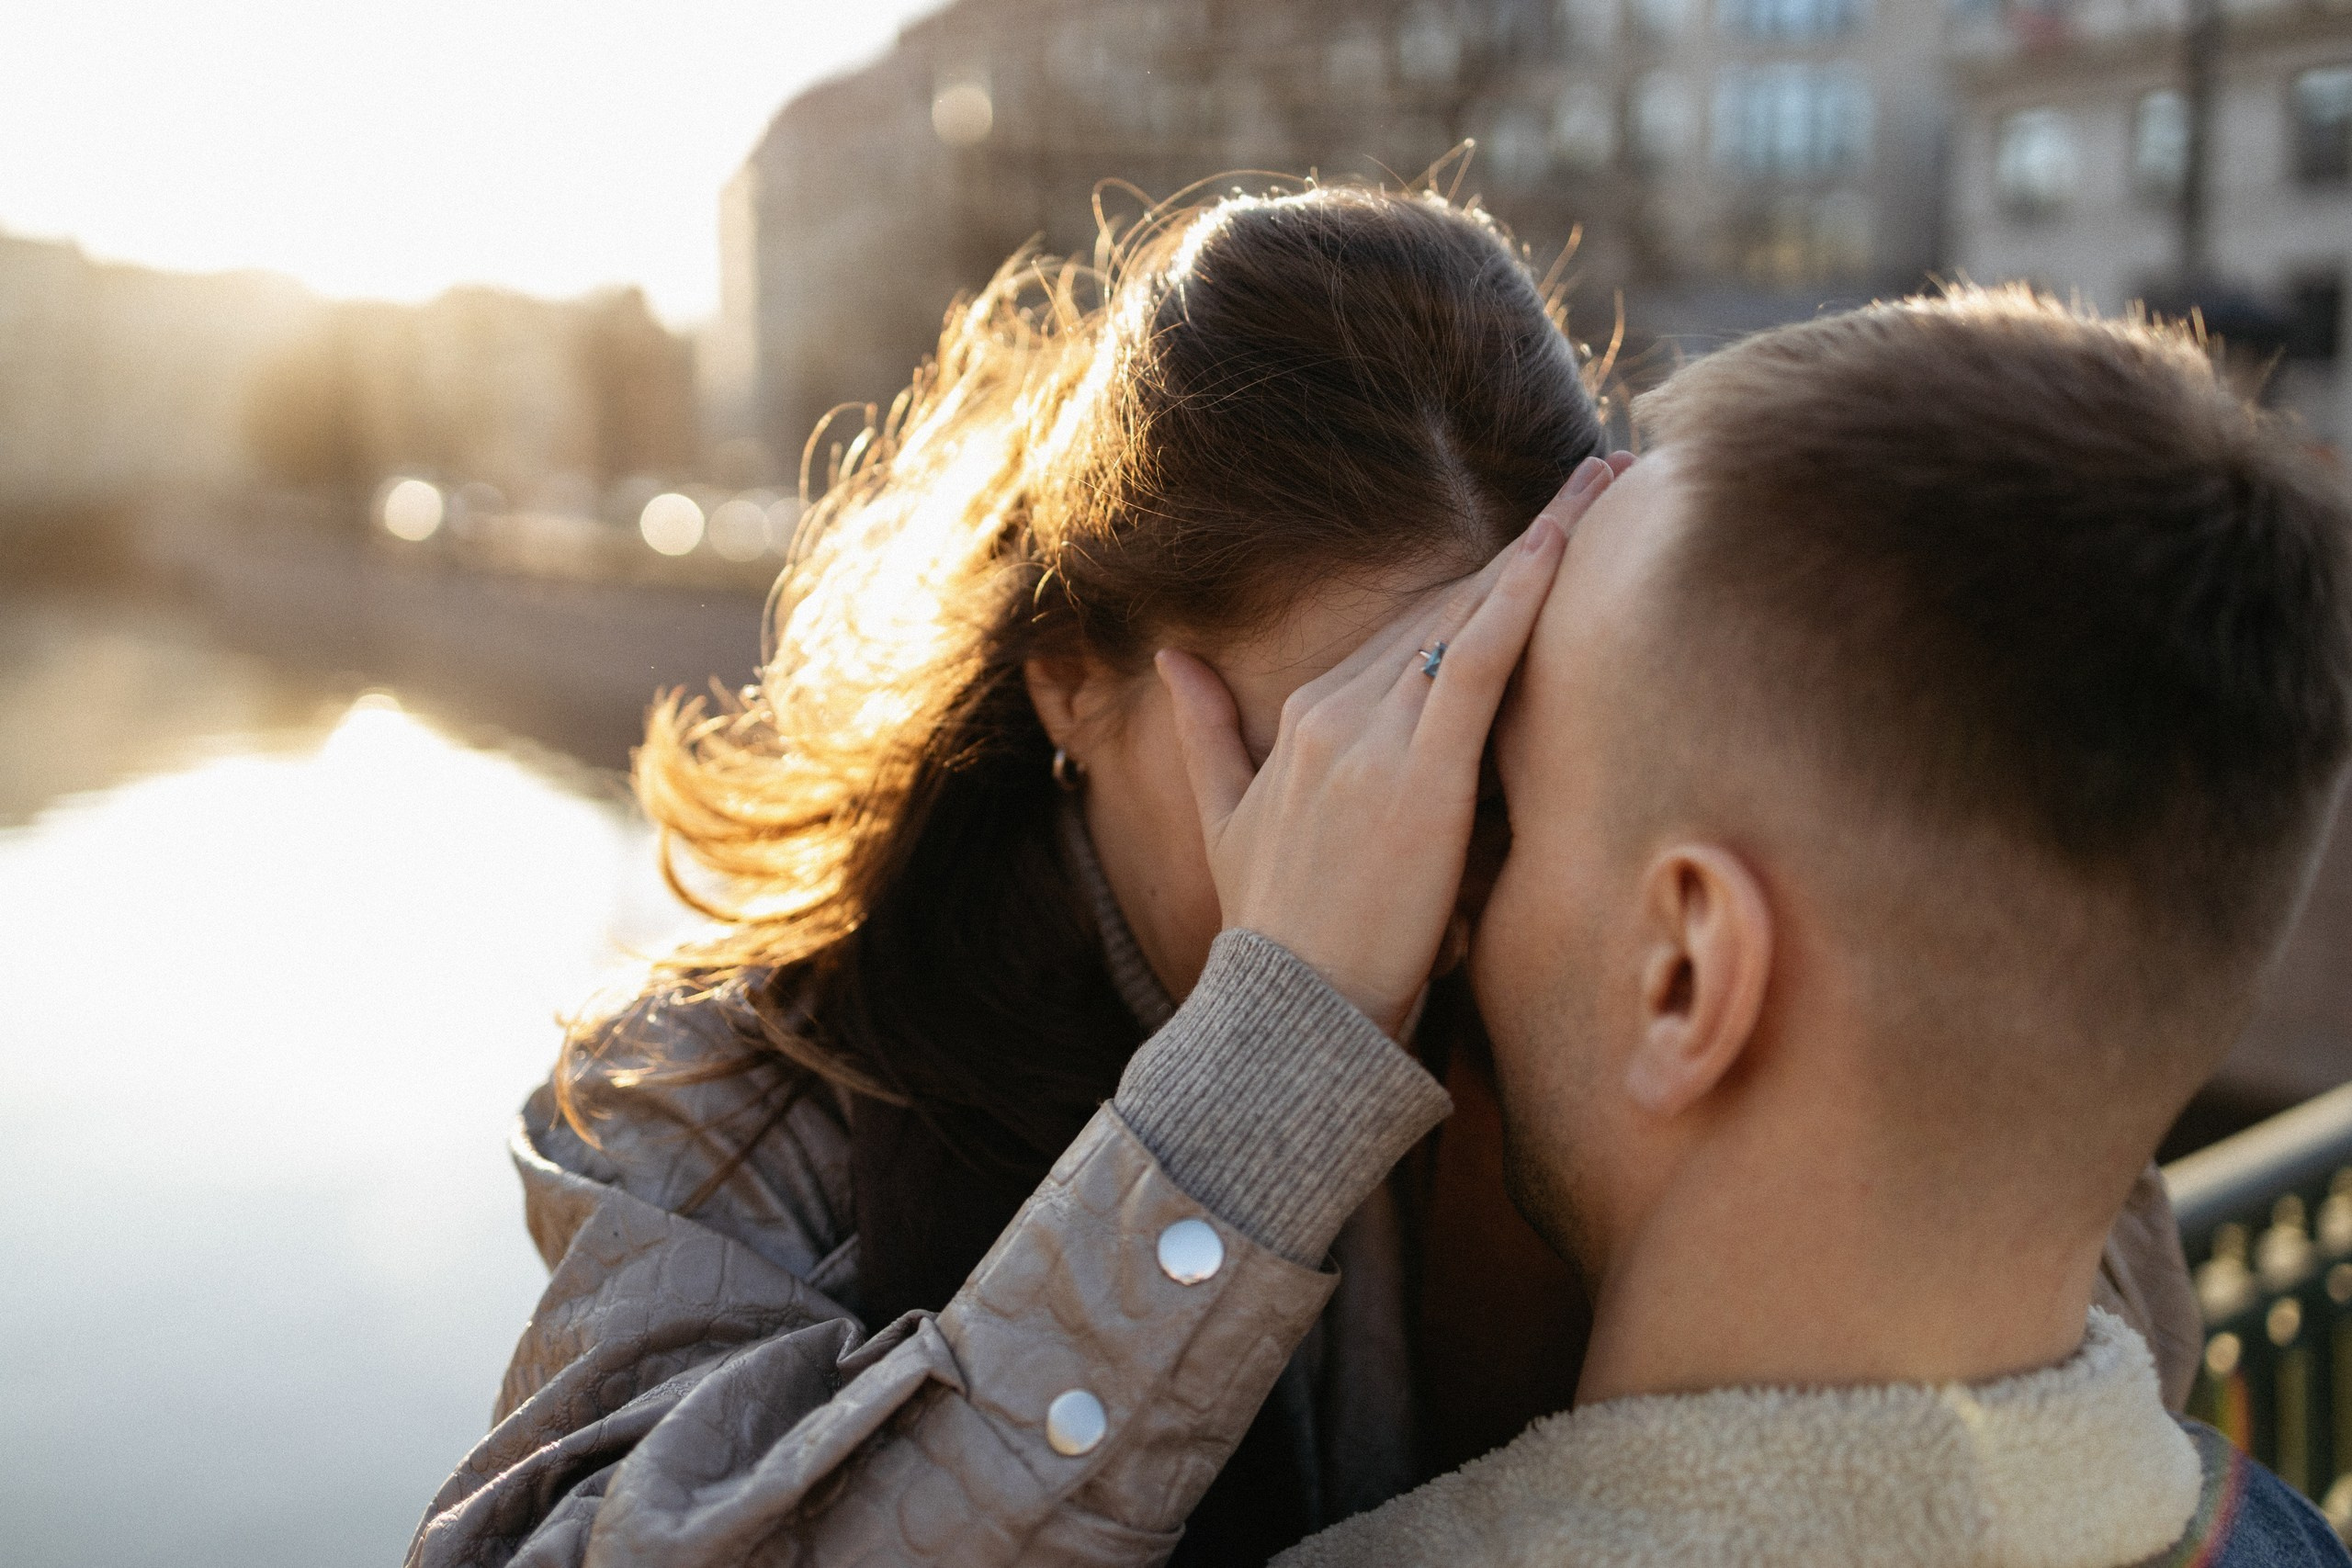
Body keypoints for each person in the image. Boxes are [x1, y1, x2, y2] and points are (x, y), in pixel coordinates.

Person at [405, 182, 2195, 1567]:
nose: (1420, 868)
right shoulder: (732, 1099)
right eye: (1331, 757)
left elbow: (2083, 1306)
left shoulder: (1582, 949)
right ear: (1071, 677)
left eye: (1485, 743)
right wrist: (1257, 1082)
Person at [1230, 289, 2352, 1565]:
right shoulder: (2281, 1537)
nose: (1456, 889)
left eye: (1509, 807)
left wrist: (1251, 1063)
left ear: (1687, 973)